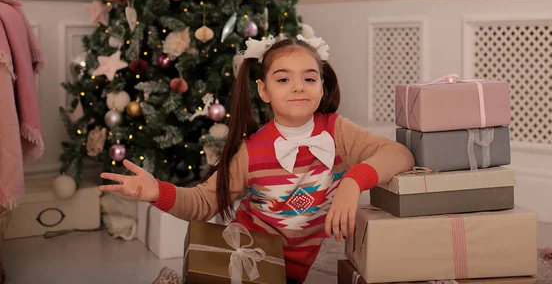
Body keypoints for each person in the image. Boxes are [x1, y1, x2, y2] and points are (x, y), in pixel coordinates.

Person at [99, 34, 414, 283]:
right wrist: (155, 191)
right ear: (263, 91)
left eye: (309, 78)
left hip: (296, 271)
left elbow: (399, 154)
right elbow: (203, 202)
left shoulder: (337, 131)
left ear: (321, 86)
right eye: (283, 79)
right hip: (250, 261)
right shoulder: (252, 151)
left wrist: (352, 182)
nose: (298, 88)